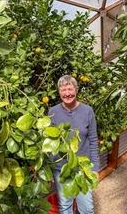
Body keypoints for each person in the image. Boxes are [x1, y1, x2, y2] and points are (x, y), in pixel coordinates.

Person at [48, 75, 99, 214]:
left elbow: (93, 139)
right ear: (59, 92)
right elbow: (50, 142)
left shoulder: (88, 111)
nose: (67, 93)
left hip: (83, 168)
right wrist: (50, 169)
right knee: (65, 206)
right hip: (61, 169)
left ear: (76, 90)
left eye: (70, 89)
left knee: (87, 208)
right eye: (63, 90)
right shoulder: (53, 112)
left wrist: (94, 167)